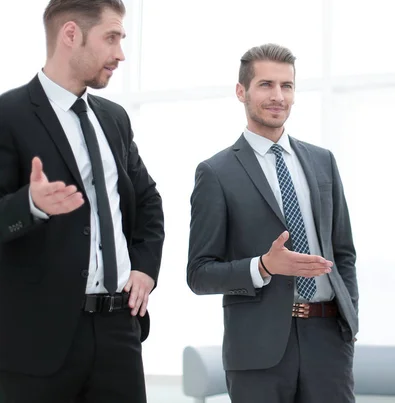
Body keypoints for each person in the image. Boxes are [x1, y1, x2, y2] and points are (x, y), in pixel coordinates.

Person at [0, 0, 164, 401]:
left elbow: (147, 202)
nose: (120, 54)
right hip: (37, 342)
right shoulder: (8, 115)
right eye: (111, 38)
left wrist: (144, 269)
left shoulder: (114, 119)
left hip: (118, 331)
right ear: (70, 35)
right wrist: (31, 204)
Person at [187, 43, 358, 403]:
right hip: (256, 347)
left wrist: (348, 320)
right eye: (266, 85)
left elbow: (343, 252)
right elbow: (200, 274)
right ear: (241, 92)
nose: (278, 96)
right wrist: (263, 266)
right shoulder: (216, 173)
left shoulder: (322, 161)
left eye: (287, 86)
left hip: (328, 341)